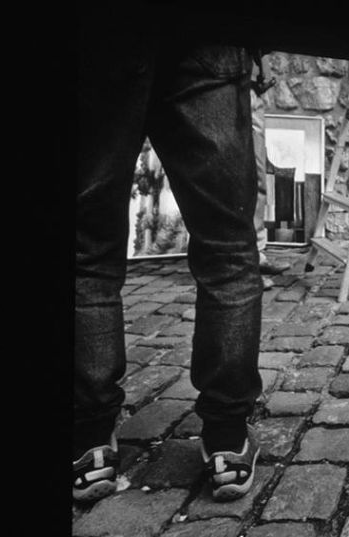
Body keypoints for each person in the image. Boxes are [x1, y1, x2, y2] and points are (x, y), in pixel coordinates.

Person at [74, 11, 269, 503]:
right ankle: (226, 438)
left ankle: (91, 441)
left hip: (101, 29)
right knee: (228, 247)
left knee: (86, 248)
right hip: (207, 30)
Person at [251, 51, 291, 288]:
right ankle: (239, 266)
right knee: (237, 179)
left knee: (258, 178)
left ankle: (256, 255)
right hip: (232, 88)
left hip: (254, 88)